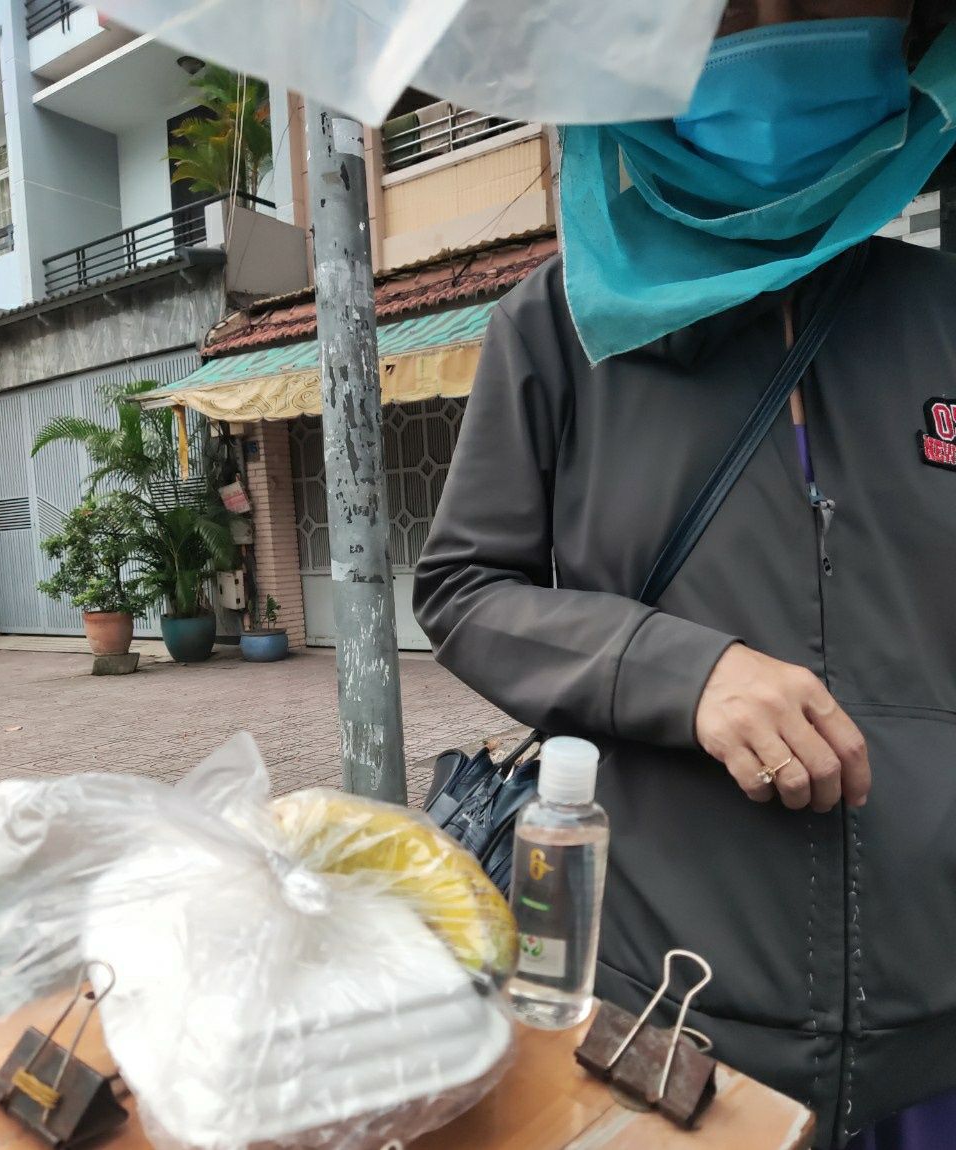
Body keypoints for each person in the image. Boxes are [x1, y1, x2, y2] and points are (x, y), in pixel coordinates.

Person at [413, 3, 956, 1147]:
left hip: (938, 1034)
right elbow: (463, 586)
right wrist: (683, 671)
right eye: (721, 8)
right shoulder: (556, 326)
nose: (773, 29)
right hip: (665, 1030)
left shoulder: (942, 313)